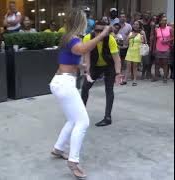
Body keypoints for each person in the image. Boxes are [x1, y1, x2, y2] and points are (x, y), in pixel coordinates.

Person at [49, 9, 117, 179]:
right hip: (64, 84)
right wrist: (103, 34)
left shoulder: (68, 37)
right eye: (85, 20)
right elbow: (81, 49)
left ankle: (58, 148)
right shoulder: (73, 38)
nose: (88, 23)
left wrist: (80, 67)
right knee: (83, 121)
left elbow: (66, 59)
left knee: (73, 120)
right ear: (80, 22)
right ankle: (73, 161)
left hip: (60, 81)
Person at [81, 21, 122, 127]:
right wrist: (87, 71)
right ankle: (80, 114)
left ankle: (107, 117)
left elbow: (116, 59)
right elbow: (87, 56)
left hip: (108, 65)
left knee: (109, 89)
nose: (99, 33)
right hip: (95, 66)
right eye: (97, 30)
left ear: (105, 31)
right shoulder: (87, 38)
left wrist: (118, 73)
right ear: (93, 30)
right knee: (85, 87)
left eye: (101, 30)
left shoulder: (110, 39)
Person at [151, 16, 174, 83]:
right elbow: (155, 39)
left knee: (165, 63)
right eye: (163, 20)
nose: (164, 22)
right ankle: (156, 77)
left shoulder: (170, 28)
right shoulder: (156, 29)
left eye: (165, 20)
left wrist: (167, 41)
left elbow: (173, 37)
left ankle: (165, 77)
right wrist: (153, 48)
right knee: (157, 63)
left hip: (166, 48)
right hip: (158, 48)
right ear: (160, 21)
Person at [125, 20, 146, 86]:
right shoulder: (131, 33)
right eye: (134, 24)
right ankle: (125, 79)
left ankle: (134, 80)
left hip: (137, 51)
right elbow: (125, 42)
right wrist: (130, 37)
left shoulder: (142, 33)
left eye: (137, 24)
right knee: (128, 66)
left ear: (139, 25)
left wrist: (142, 41)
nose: (135, 25)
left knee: (135, 66)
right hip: (130, 51)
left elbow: (145, 42)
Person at [118, 12, 132, 84]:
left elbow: (131, 35)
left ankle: (124, 77)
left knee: (125, 63)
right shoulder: (116, 25)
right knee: (119, 62)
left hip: (126, 47)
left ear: (125, 18)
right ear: (119, 18)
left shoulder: (129, 26)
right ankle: (119, 77)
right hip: (118, 47)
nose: (122, 18)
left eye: (123, 17)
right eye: (121, 17)